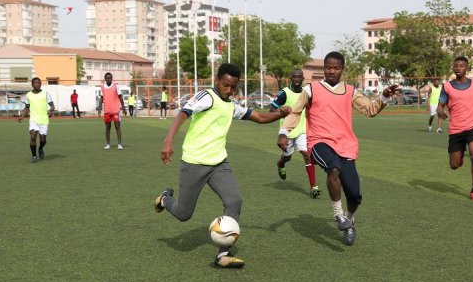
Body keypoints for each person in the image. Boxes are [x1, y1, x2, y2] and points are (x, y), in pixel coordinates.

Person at [154, 63, 291, 269]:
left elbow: (260, 117)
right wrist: (168, 141)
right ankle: (165, 199)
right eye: (225, 85)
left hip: (219, 163)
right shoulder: (206, 97)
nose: (228, 90)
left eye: (233, 86)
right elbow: (183, 113)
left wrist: (280, 114)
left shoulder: (232, 105)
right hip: (195, 162)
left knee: (234, 200)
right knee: (184, 214)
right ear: (217, 80)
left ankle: (223, 254)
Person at [278, 52, 399, 246]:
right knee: (333, 168)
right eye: (328, 67)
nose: (331, 71)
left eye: (336, 68)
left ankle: (349, 219)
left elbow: (370, 110)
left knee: (355, 196)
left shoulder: (350, 91)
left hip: (345, 145)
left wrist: (384, 96)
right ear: (324, 68)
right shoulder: (311, 89)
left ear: (342, 69)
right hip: (319, 142)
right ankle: (338, 215)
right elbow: (296, 111)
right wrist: (284, 131)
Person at [437, 56, 473, 202]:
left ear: (466, 68)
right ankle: (460, 156)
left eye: (461, 66)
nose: (458, 68)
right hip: (456, 128)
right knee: (454, 165)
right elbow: (440, 105)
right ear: (453, 68)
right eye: (456, 66)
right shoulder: (447, 86)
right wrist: (440, 112)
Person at [270, 69, 321, 198]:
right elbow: (271, 109)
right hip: (287, 131)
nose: (297, 79)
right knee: (287, 157)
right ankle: (281, 163)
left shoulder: (306, 92)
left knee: (307, 155)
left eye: (299, 77)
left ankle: (314, 187)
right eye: (294, 77)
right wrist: (281, 109)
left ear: (303, 79)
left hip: (303, 129)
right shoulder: (284, 93)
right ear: (290, 78)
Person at [17, 77, 55, 163]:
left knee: (43, 140)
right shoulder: (28, 95)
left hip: (44, 119)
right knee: (33, 136)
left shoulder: (45, 93)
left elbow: (52, 105)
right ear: (32, 84)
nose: (37, 84)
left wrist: (50, 110)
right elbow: (27, 107)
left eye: (39, 83)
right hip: (33, 119)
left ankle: (40, 148)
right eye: (35, 83)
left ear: (41, 84)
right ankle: (34, 156)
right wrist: (22, 116)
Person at [98, 72, 126, 150]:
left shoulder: (116, 86)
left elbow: (120, 97)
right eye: (107, 78)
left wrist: (123, 107)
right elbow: (101, 98)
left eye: (110, 78)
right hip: (107, 110)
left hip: (116, 110)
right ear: (105, 79)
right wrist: (99, 108)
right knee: (107, 127)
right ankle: (108, 144)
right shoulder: (102, 87)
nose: (109, 79)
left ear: (112, 78)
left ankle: (119, 144)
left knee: (117, 126)